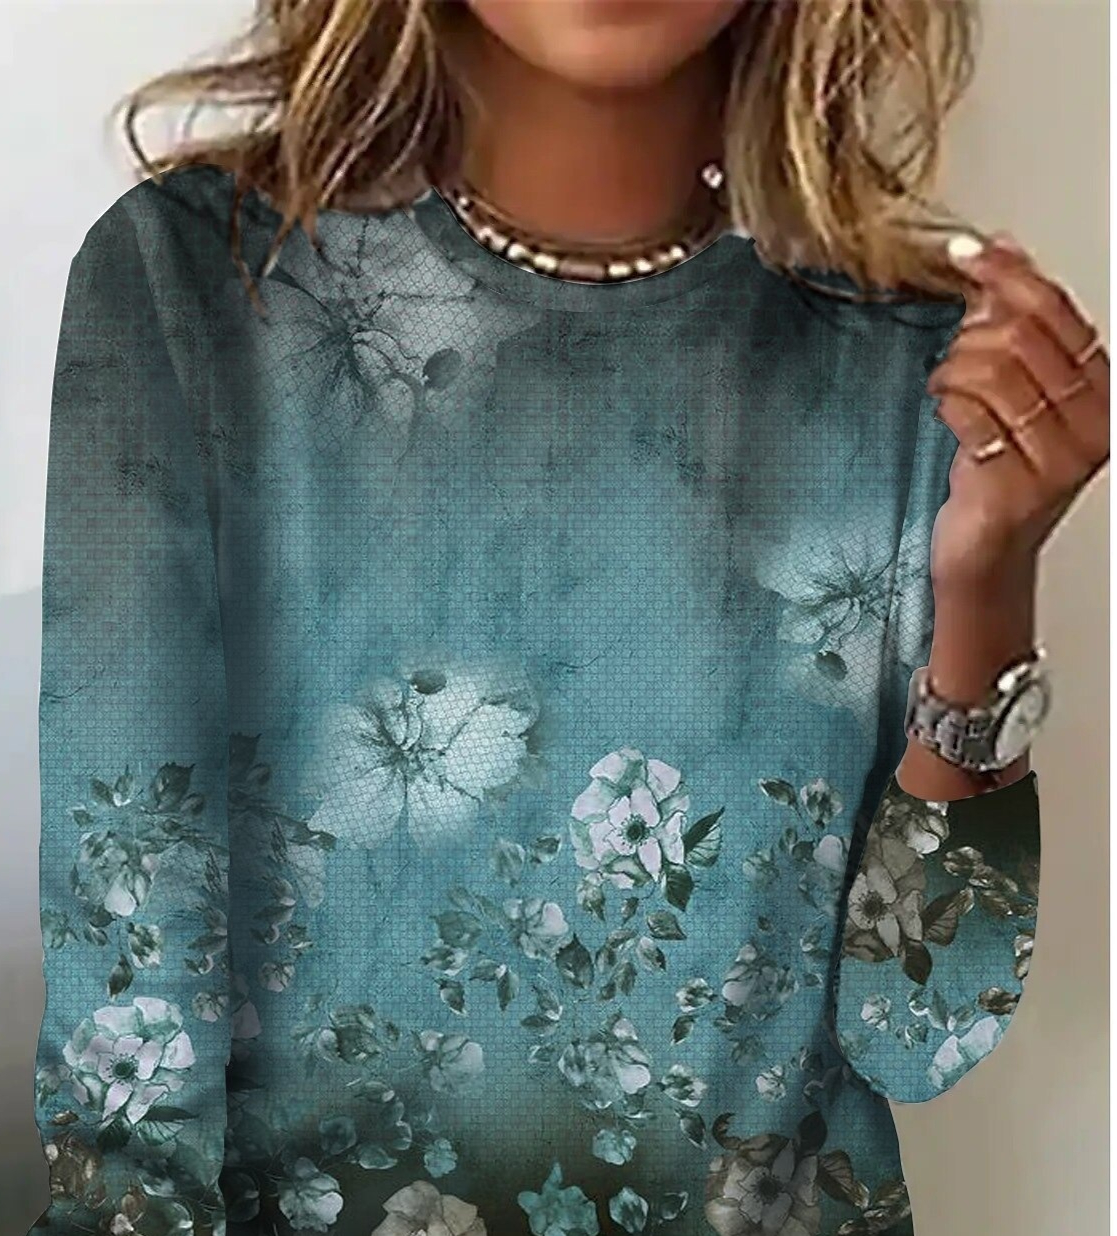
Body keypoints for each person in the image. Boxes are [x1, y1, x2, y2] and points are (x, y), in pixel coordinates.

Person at [29, 3, 1107, 1235]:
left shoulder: (918, 356)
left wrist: (991, 575)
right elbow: (125, 1086)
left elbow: (923, 1029)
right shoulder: (193, 286)